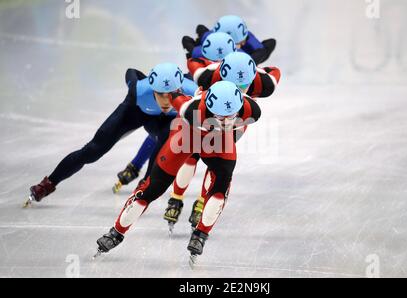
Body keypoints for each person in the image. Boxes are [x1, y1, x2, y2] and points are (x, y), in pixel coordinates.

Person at [95, 80, 262, 262]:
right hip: (187, 136)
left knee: (220, 188)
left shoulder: (251, 109)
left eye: (231, 116)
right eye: (220, 117)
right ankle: (116, 232)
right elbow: (176, 98)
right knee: (152, 188)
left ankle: (200, 235)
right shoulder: (191, 110)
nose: (226, 121)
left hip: (219, 142)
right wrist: (173, 91)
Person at [25, 63, 197, 207]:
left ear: (181, 88)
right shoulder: (139, 91)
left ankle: (144, 187)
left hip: (166, 123)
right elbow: (131, 73)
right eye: (161, 95)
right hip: (137, 112)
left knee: (166, 142)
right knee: (93, 150)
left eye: (173, 95)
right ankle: (48, 184)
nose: (167, 101)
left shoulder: (193, 92)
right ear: (152, 89)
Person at [164, 52, 281, 230]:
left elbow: (194, 61)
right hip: (207, 121)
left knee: (215, 165)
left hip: (232, 125)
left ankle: (198, 202)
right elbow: (274, 71)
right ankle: (176, 198)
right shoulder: (209, 76)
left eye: (244, 85)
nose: (239, 91)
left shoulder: (261, 83)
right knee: (192, 155)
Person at [112, 32, 237, 194]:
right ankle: (137, 167)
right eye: (213, 59)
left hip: (197, 99)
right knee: (162, 135)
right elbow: (187, 41)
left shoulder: (231, 65)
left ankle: (138, 169)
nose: (216, 63)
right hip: (187, 94)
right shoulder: (203, 58)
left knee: (168, 136)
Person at [182, 15, 277, 65]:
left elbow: (189, 43)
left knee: (200, 30)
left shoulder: (207, 40)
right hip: (247, 55)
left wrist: (193, 53)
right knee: (266, 47)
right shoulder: (246, 51)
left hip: (209, 45)